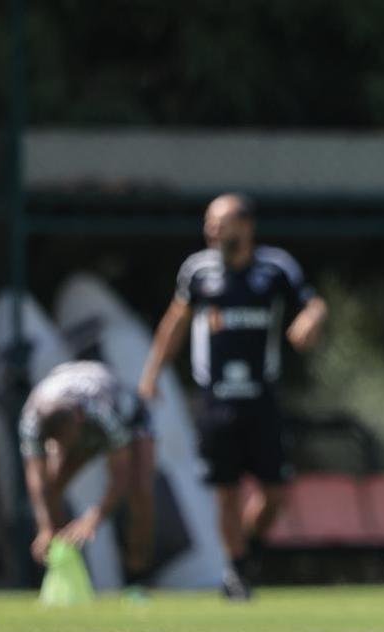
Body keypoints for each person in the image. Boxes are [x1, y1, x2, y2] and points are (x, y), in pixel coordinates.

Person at [139, 193, 328, 600]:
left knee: (274, 494)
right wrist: (152, 373)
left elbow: (313, 305)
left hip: (263, 399)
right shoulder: (197, 272)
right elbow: (175, 323)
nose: (210, 230)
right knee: (225, 491)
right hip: (216, 401)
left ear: (244, 227)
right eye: (208, 223)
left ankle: (245, 550)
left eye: (218, 222)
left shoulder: (276, 268)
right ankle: (237, 571)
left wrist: (310, 321)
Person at [19, 360, 155, 585]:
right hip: (75, 403)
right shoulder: (32, 420)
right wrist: (45, 526)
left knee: (140, 491)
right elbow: (36, 478)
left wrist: (95, 516)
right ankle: (60, 566)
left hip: (130, 419)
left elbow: (122, 476)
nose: (66, 449)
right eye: (58, 444)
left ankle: (138, 578)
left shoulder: (103, 412)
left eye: (67, 441)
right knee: (51, 487)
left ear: (78, 419)